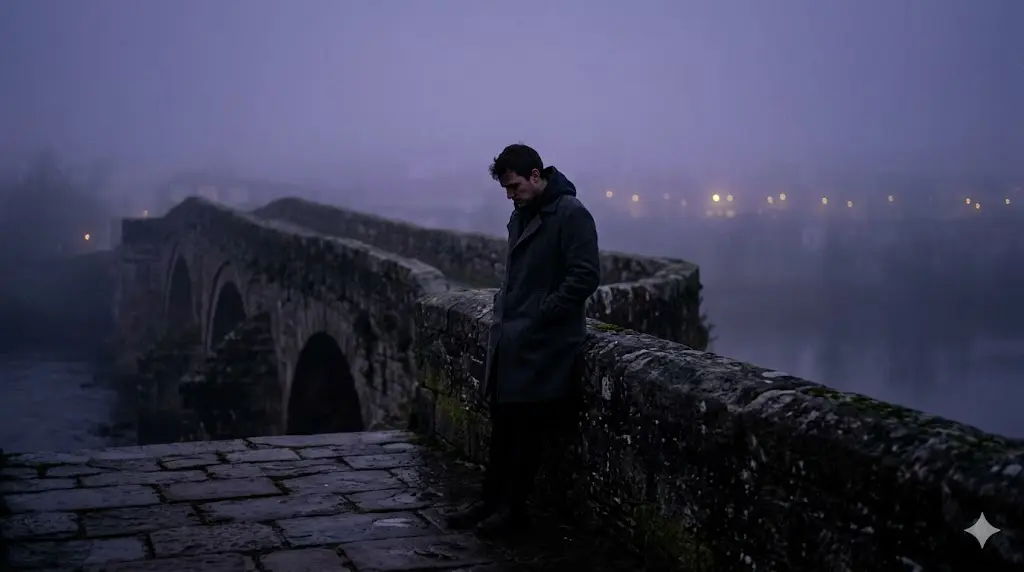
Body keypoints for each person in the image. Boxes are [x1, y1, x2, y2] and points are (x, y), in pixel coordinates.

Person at [446, 144, 601, 536]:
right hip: (513, 338)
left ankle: (513, 513)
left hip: (544, 344)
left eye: (514, 186)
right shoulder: (522, 213)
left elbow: (585, 275)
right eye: (506, 189)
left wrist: (544, 311)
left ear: (536, 175)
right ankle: (490, 501)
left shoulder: (571, 214)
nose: (510, 195)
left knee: (527, 431)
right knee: (503, 427)